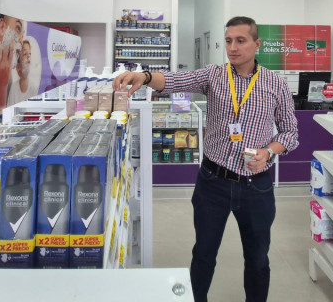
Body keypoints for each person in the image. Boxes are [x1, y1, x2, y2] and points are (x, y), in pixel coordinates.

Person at [113, 16, 299, 302]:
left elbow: (290, 132)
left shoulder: (276, 84)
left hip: (256, 187)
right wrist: (145, 77)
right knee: (203, 254)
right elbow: (175, 80)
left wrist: (268, 152)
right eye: (228, 41)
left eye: (240, 41)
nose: (233, 47)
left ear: (257, 44)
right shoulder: (214, 75)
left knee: (258, 258)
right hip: (213, 182)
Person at [7, 39, 39, 106]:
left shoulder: (34, 89)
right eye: (25, 54)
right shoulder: (13, 89)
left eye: (30, 53)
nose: (29, 56)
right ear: (18, 67)